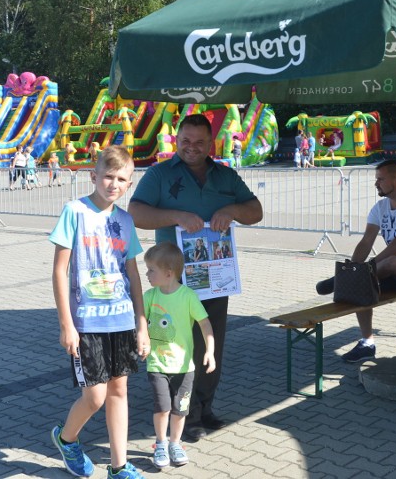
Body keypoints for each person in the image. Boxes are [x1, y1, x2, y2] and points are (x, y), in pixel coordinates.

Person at [128, 113, 263, 442]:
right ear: (176, 139)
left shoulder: (225, 176)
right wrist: (175, 214)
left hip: (214, 277)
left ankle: (203, 408)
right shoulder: (160, 174)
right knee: (174, 344)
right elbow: (135, 212)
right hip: (172, 280)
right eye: (185, 140)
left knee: (209, 343)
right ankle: (178, 414)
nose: (192, 147)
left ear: (211, 144)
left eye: (200, 142)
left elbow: (255, 210)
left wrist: (232, 211)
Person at [49, 145, 149, 479]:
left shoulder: (125, 220)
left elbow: (132, 274)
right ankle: (67, 439)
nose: (114, 184)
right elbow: (59, 271)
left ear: (129, 183)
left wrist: (142, 324)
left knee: (119, 391)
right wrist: (67, 324)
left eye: (122, 179)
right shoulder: (74, 211)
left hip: (121, 321)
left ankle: (119, 467)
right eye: (108, 176)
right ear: (94, 176)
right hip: (86, 323)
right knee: (94, 396)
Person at [314, 160, 396, 362]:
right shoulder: (380, 208)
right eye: (376, 179)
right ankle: (367, 342)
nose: (376, 183)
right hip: (389, 269)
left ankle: (344, 279)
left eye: (380, 179)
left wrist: (368, 267)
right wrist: (352, 269)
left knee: (391, 262)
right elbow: (366, 242)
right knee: (361, 285)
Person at [142, 242, 215, 469]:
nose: (147, 274)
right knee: (162, 407)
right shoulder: (150, 296)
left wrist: (210, 351)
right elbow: (141, 320)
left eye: (151, 270)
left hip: (184, 367)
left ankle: (175, 443)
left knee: (179, 409)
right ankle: (161, 443)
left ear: (168, 273)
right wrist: (140, 338)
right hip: (157, 364)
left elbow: (205, 324)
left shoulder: (188, 296)